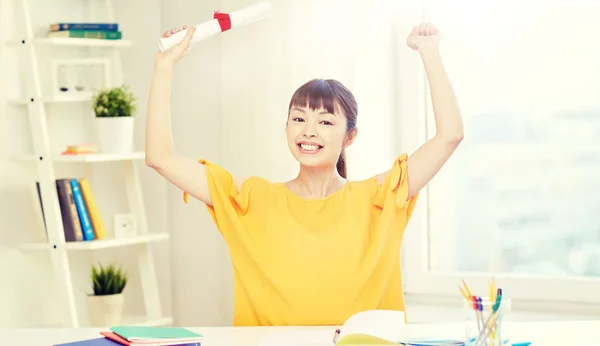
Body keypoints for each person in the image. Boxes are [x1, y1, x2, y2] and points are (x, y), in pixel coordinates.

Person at [145, 22, 463, 326]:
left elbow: (450, 135)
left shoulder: (379, 199)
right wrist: (164, 66)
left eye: (325, 122)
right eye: (298, 119)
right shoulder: (251, 200)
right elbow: (161, 158)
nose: (308, 131)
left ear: (349, 137)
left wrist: (429, 50)